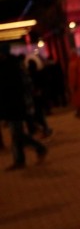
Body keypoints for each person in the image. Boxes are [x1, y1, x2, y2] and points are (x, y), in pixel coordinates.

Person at [0, 43, 48, 171]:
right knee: (15, 134)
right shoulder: (13, 65)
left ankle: (39, 148)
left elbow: (10, 88)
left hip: (15, 105)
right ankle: (19, 160)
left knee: (17, 134)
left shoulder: (9, 67)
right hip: (15, 105)